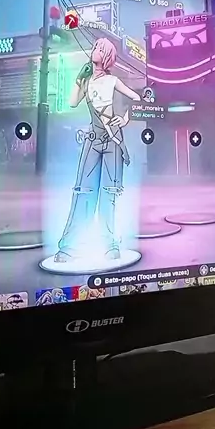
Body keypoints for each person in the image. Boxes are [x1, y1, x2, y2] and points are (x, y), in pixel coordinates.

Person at [55, 38, 141, 262]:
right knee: (83, 191)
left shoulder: (113, 80)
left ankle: (110, 244)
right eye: (95, 47)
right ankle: (69, 247)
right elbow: (72, 102)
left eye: (101, 49)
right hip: (93, 140)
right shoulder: (86, 81)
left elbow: (137, 98)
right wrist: (79, 78)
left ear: (108, 57)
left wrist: (125, 118)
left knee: (109, 194)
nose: (96, 50)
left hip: (113, 141)